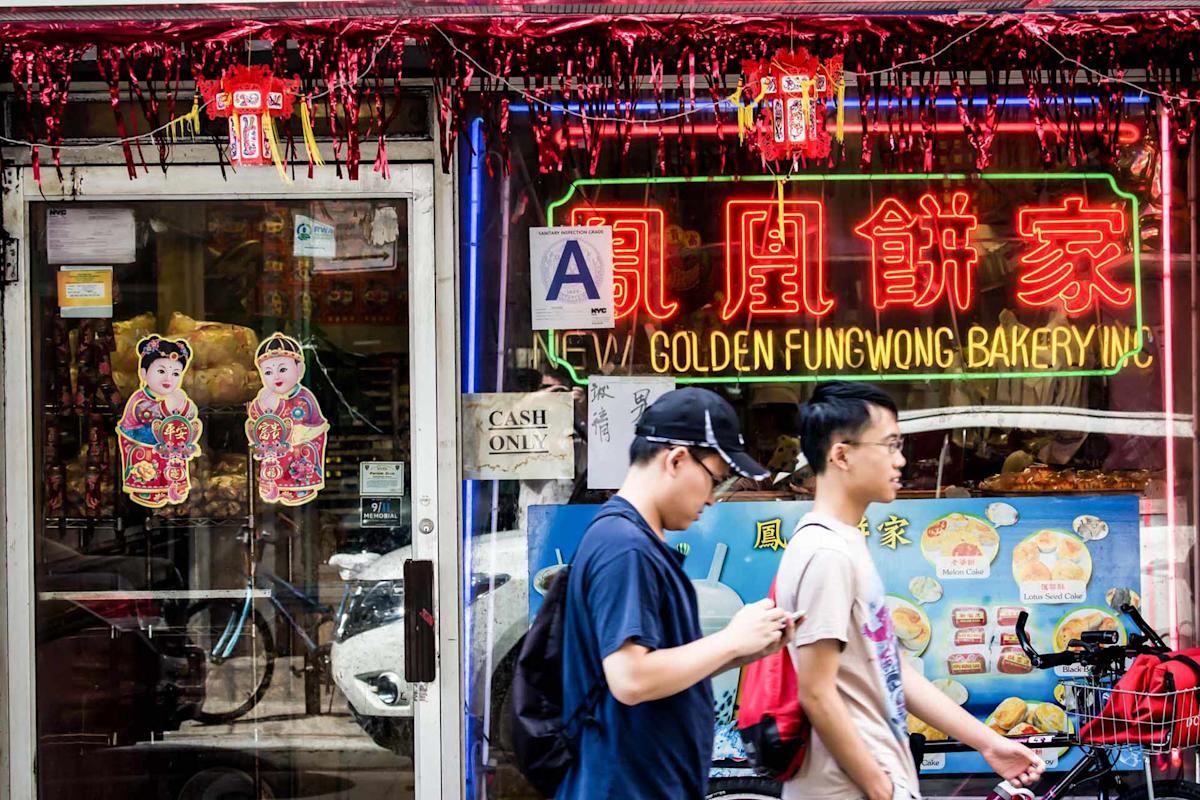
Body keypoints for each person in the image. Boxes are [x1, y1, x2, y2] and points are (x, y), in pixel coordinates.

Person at [775, 381, 1045, 800]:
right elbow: (816, 692)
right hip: (846, 789)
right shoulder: (825, 552)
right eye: (889, 445)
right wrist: (879, 788)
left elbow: (892, 667)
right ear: (841, 454)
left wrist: (987, 742)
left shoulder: (845, 542)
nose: (901, 460)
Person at [557, 387, 796, 799]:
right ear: (677, 460)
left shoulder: (634, 540)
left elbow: (660, 670)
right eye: (715, 480)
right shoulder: (624, 547)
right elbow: (631, 678)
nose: (712, 499)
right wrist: (731, 640)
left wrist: (745, 651)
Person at [117, 335, 202, 507]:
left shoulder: (173, 396)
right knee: (154, 462)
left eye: (176, 373)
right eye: (161, 371)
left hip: (166, 444)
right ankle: (150, 490)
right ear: (143, 373)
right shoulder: (141, 400)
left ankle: (171, 486)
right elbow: (151, 416)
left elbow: (188, 414)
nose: (168, 379)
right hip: (143, 444)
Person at [245, 332, 329, 506]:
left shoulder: (304, 397)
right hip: (276, 445)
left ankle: (299, 488)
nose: (276, 377)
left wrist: (300, 433)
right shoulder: (266, 396)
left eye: (283, 369)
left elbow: (316, 424)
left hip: (301, 443)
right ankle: (274, 485)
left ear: (299, 370)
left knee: (298, 459)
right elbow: (256, 418)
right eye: (268, 372)